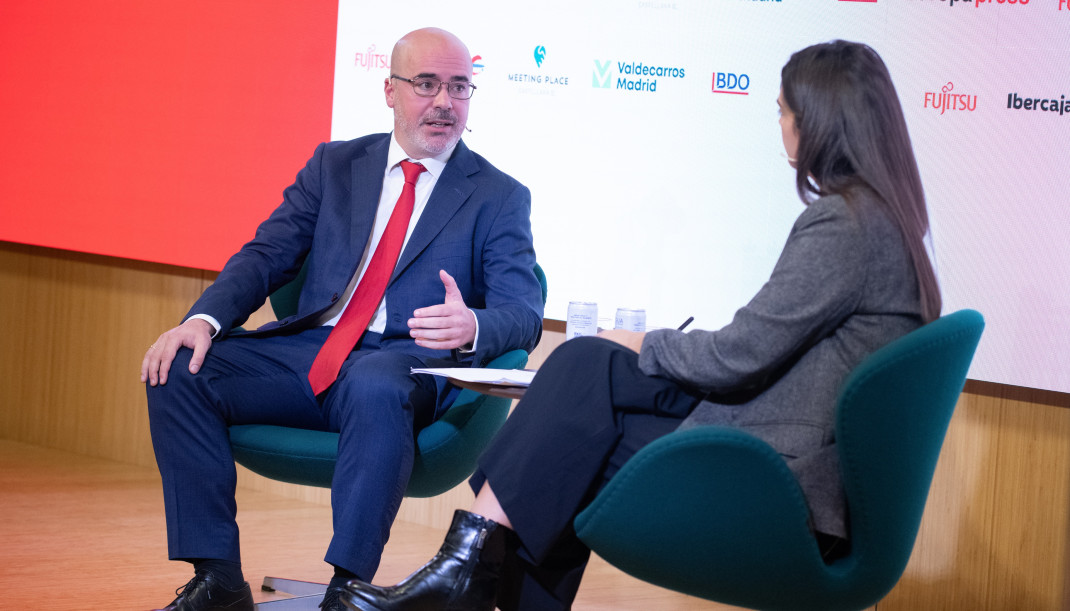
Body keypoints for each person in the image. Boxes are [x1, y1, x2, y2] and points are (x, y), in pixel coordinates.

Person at [340, 39, 942, 611]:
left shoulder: (844, 225)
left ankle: (462, 572)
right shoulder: (885, 219)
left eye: (785, 112)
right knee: (583, 369)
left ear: (820, 121)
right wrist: (625, 348)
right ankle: (464, 573)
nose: (781, 126)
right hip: (774, 443)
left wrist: (640, 341)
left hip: (774, 477)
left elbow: (742, 354)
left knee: (569, 437)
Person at [140, 27, 544, 611]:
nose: (443, 102)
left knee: (375, 381)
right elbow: (267, 256)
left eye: (459, 87)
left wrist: (473, 326)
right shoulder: (335, 166)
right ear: (390, 91)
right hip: (310, 351)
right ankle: (219, 580)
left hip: (405, 361)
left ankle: (346, 591)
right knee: (179, 367)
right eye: (426, 84)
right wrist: (202, 320)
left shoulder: (499, 195)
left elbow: (524, 311)